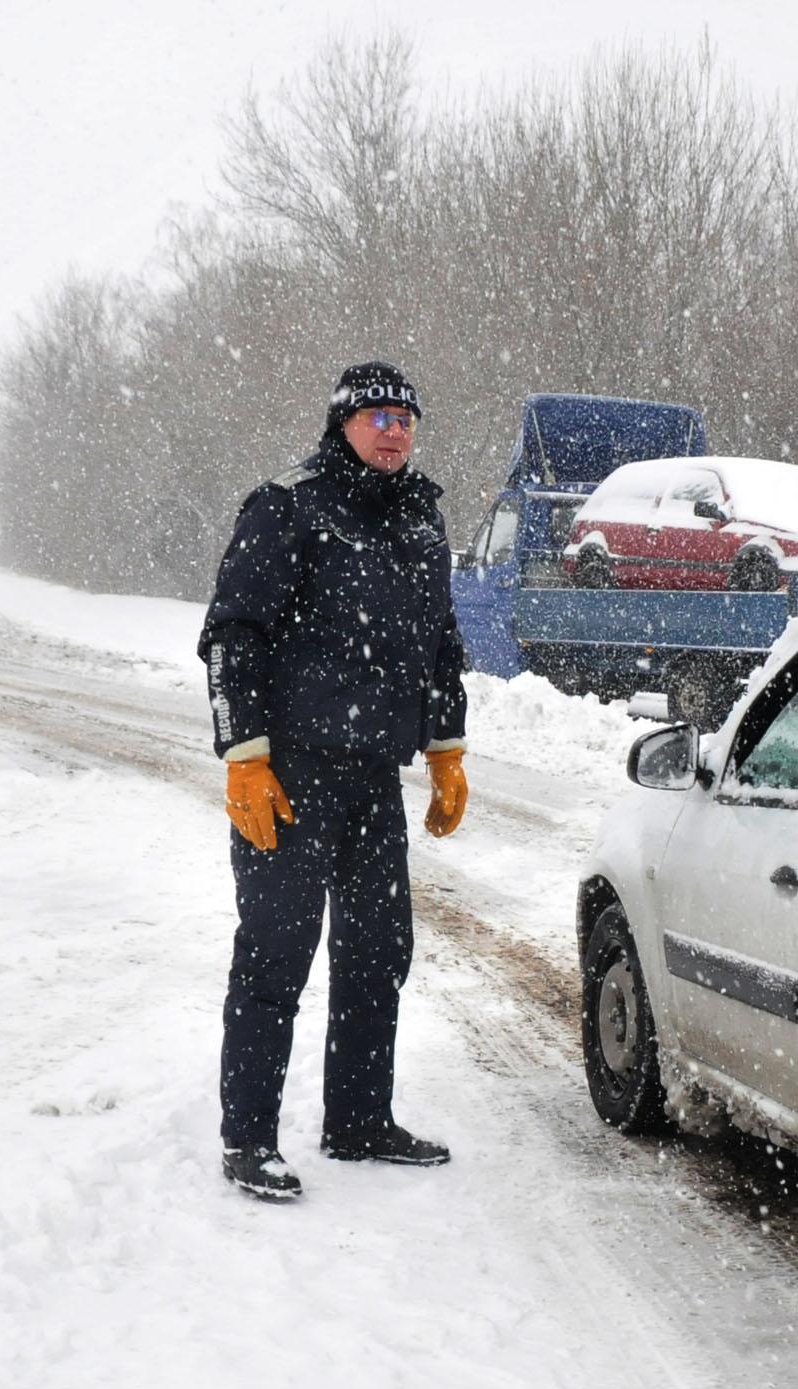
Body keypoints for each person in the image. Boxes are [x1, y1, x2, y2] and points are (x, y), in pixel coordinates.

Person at [198, 362, 471, 1202]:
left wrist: (447, 747)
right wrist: (243, 753)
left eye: (406, 417)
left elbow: (441, 643)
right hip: (289, 775)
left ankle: (357, 1118)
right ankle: (247, 1138)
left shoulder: (421, 524)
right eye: (377, 415)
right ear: (343, 423)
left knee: (378, 951)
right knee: (277, 952)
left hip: (371, 781)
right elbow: (231, 634)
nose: (394, 429)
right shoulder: (288, 506)